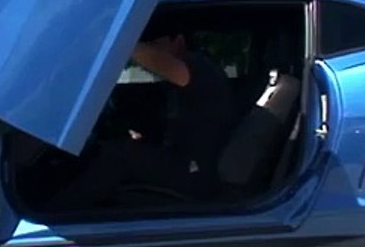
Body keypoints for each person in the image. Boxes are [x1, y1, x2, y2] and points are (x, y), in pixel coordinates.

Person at [48, 23, 234, 211]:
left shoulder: (198, 66)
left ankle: (56, 212)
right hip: (185, 165)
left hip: (195, 173)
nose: (150, 50)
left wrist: (114, 39)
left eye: (154, 43)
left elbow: (156, 60)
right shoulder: (181, 82)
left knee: (118, 154)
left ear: (178, 41)